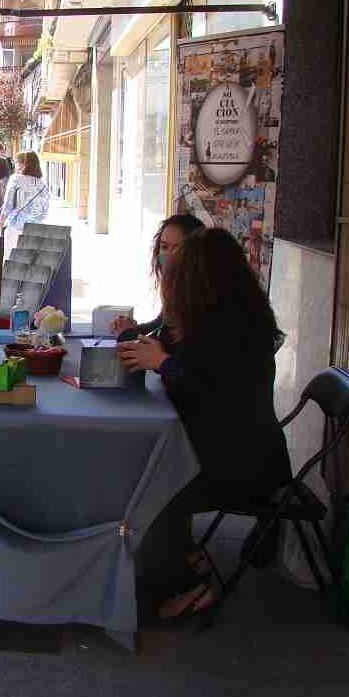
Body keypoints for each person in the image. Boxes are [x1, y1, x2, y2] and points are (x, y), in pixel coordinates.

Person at [119, 228, 291, 623]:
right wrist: (152, 349)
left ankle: (183, 588)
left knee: (152, 481)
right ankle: (179, 558)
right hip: (238, 451)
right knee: (154, 466)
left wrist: (161, 362)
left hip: (245, 466)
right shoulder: (228, 318)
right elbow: (189, 362)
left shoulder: (237, 330)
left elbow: (209, 389)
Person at [113, 213, 206, 341]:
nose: (169, 255)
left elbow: (164, 345)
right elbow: (160, 323)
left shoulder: (199, 295)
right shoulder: (177, 289)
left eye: (178, 248)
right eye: (164, 247)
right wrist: (132, 329)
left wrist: (126, 335)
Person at [0, 151, 50, 257]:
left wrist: (1, 221)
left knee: (9, 261)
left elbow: (8, 205)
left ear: (24, 164)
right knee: (26, 267)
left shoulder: (16, 179)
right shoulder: (43, 185)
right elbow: (44, 212)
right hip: (35, 230)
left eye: (16, 162)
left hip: (15, 227)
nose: (15, 164)